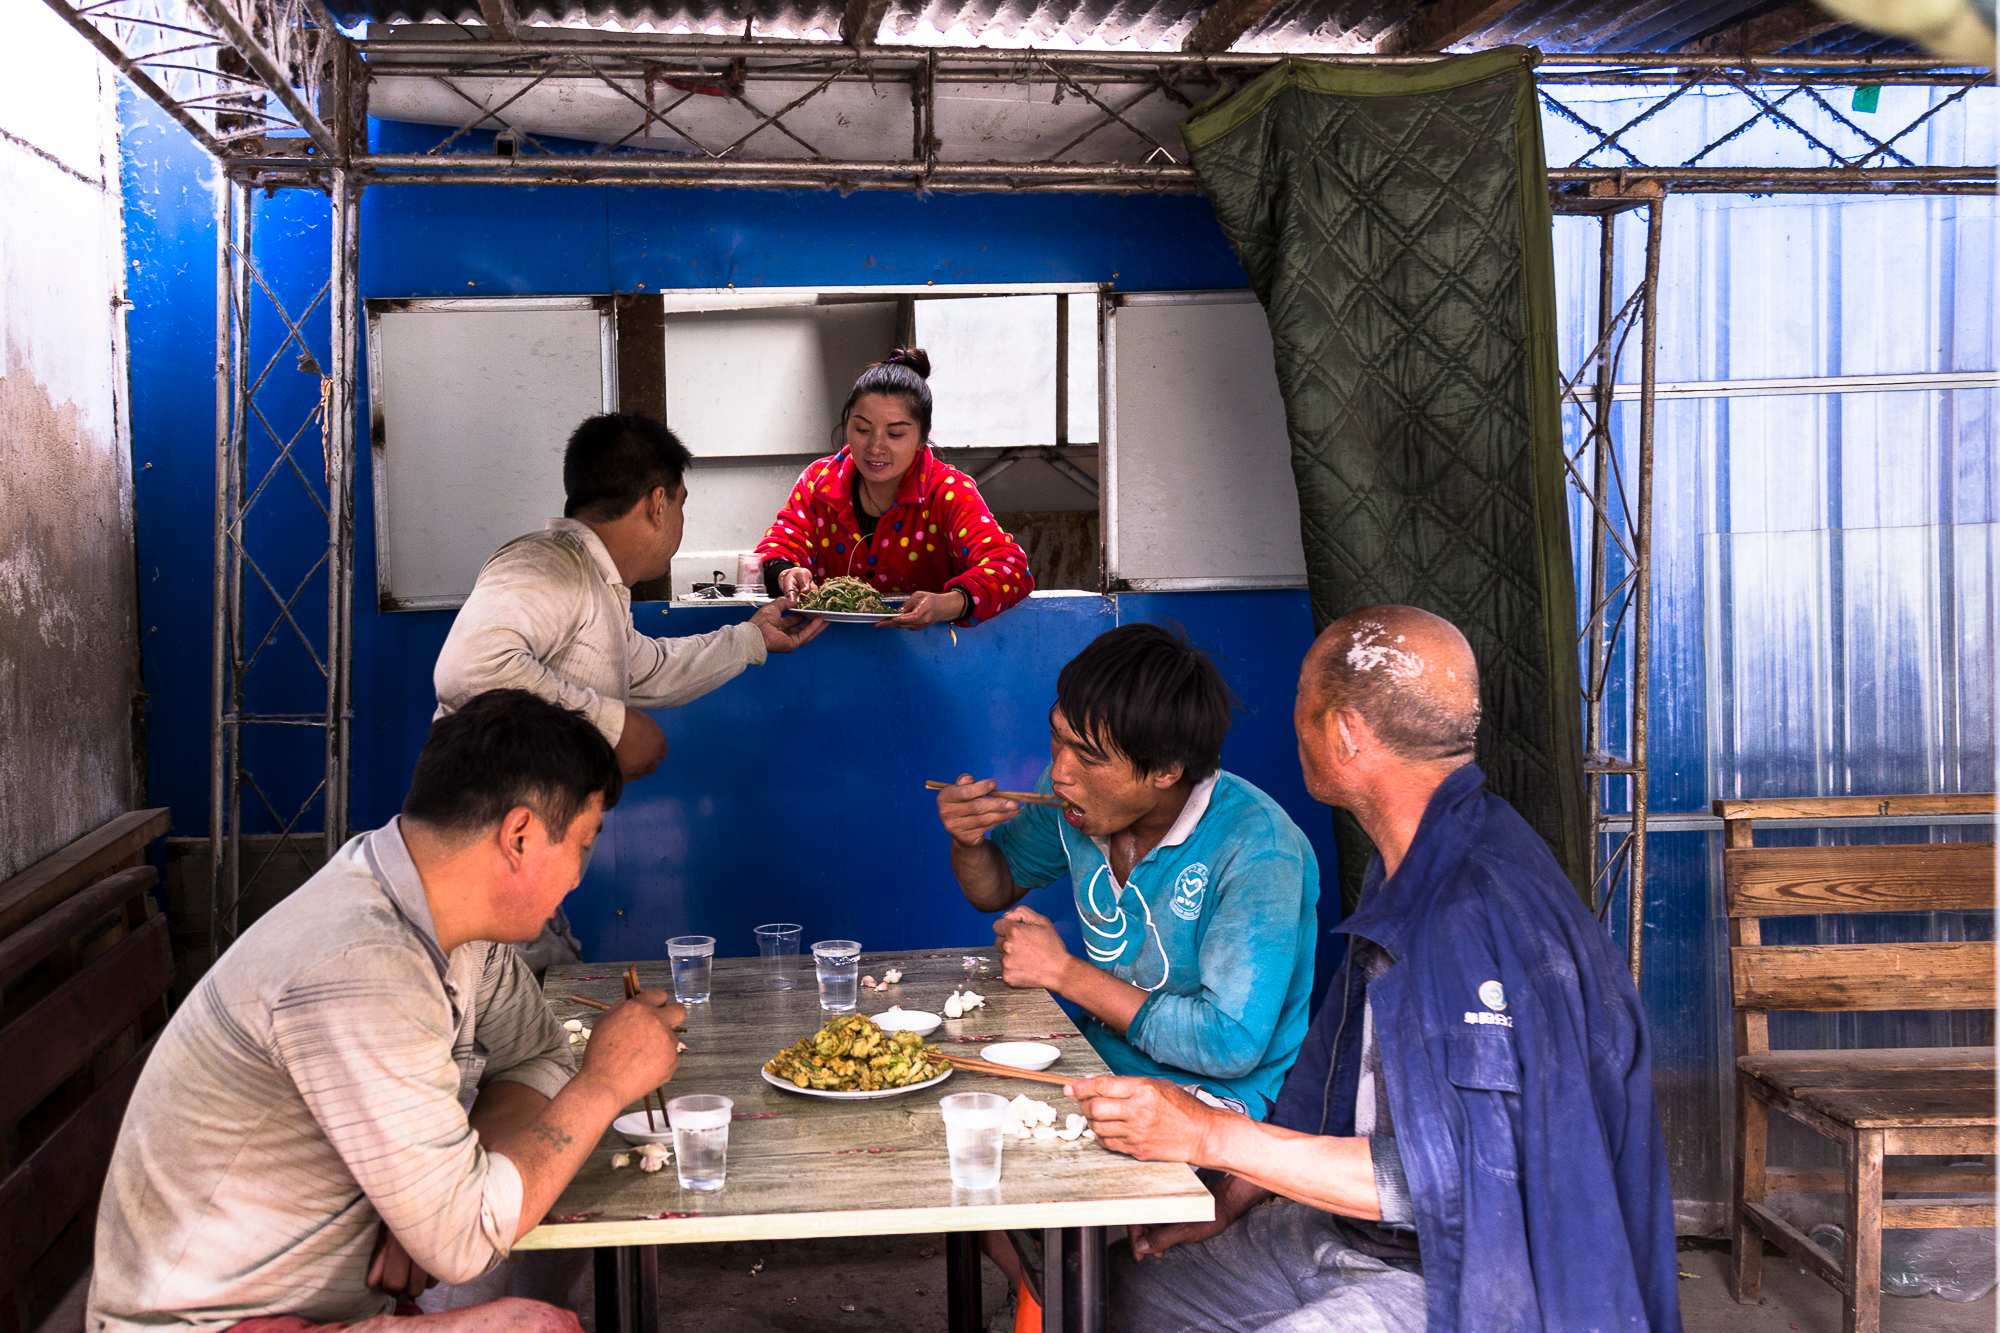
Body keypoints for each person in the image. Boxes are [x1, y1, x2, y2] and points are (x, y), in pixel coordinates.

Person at [1067, 606, 1681, 1333]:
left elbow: (1457, 1178)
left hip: (1470, 1273)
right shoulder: (1409, 866)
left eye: (1303, 698)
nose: (1292, 719)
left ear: (1344, 732)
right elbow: (1328, 1071)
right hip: (1353, 1234)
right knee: (1109, 1292)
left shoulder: (1472, 909)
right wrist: (1232, 1193)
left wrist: (1208, 1135)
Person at [89, 690, 686, 1333]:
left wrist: (438, 1195)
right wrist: (605, 1082)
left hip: (312, 1304)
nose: (576, 878)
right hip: (208, 1325)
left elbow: (536, 1054)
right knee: (536, 1326)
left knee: (534, 1240)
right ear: (519, 835)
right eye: (582, 846)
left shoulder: (444, 916)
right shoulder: (359, 967)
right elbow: (462, 1242)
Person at [435, 412, 824, 967]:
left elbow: (642, 667)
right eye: (683, 503)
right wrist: (611, 727)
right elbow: (471, 669)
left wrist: (750, 639)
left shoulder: (594, 583)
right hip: (480, 885)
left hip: (520, 889)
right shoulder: (545, 565)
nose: (680, 518)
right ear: (658, 503)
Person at [935, 623, 1320, 1117]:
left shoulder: (1258, 849)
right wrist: (967, 840)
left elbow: (1230, 1045)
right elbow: (996, 888)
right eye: (1058, 739)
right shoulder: (1073, 803)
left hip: (1216, 1100)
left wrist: (1063, 972)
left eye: (1089, 758)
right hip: (1102, 1063)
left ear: (1166, 770)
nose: (1060, 772)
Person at [754, 348, 1034, 630]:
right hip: (827, 651)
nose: (875, 447)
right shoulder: (819, 482)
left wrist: (948, 603)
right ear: (846, 425)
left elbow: (1011, 568)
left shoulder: (948, 492)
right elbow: (775, 548)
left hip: (934, 657)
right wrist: (785, 572)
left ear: (922, 438)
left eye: (895, 434)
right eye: (862, 430)